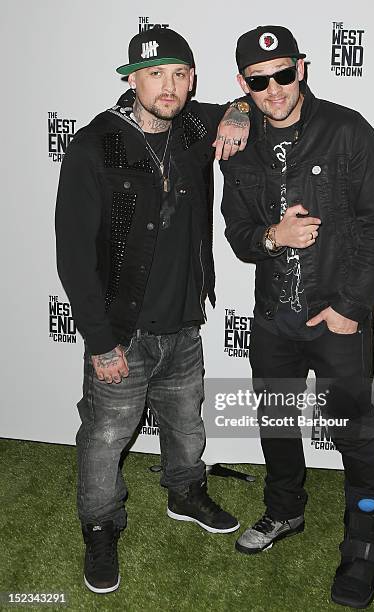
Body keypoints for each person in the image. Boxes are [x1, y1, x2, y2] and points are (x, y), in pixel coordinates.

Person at [55, 27, 250, 594]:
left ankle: (185, 492)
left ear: (192, 80)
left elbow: (251, 105)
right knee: (106, 435)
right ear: (132, 79)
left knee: (187, 423)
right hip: (122, 330)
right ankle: (99, 524)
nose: (170, 86)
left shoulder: (192, 125)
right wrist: (99, 341)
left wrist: (237, 112)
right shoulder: (97, 145)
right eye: (156, 74)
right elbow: (72, 254)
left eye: (180, 74)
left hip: (185, 322)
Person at [220, 25, 374, 608]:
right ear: (243, 84)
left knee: (354, 432)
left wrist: (351, 308)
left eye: (282, 74)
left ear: (303, 68)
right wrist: (273, 235)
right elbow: (241, 235)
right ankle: (284, 510)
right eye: (257, 81)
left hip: (336, 319)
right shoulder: (238, 145)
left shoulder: (348, 131)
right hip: (273, 319)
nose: (273, 89)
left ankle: (366, 539)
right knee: (275, 423)